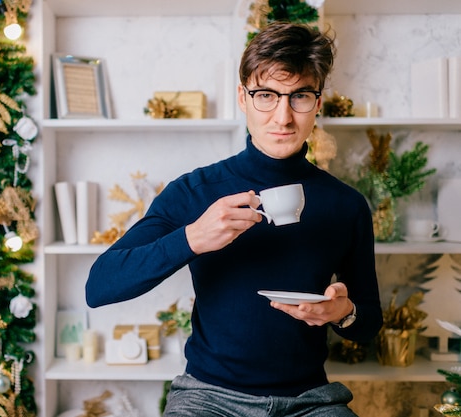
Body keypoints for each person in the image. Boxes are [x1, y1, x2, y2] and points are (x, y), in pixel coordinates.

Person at [85, 21, 382, 417]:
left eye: (300, 97)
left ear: (319, 102)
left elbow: (368, 323)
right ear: (242, 98)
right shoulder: (196, 192)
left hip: (310, 401)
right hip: (208, 397)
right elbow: (99, 285)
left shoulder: (346, 205)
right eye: (266, 95)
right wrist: (192, 238)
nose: (283, 117)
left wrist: (341, 313)